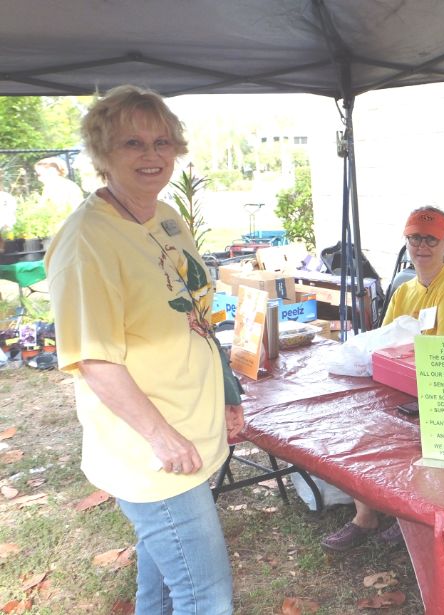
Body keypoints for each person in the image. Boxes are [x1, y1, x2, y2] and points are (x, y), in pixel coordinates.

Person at [45, 85, 241, 614]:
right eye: (133, 143)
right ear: (103, 154)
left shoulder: (166, 216)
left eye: (162, 142)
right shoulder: (89, 241)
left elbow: (195, 314)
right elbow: (94, 359)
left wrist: (227, 392)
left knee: (159, 586)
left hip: (189, 434)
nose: (152, 156)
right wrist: (163, 437)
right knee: (207, 599)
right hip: (154, 456)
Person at [321, 206, 444, 552]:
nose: (422, 247)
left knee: (405, 434)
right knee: (360, 420)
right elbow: (386, 338)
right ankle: (366, 515)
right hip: (402, 381)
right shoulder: (406, 288)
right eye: (414, 239)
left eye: (431, 239)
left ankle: (410, 519)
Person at [34, 156, 84, 235]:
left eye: (40, 174)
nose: (39, 178)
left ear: (52, 171)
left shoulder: (60, 186)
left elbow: (67, 209)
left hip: (66, 228)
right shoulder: (51, 186)